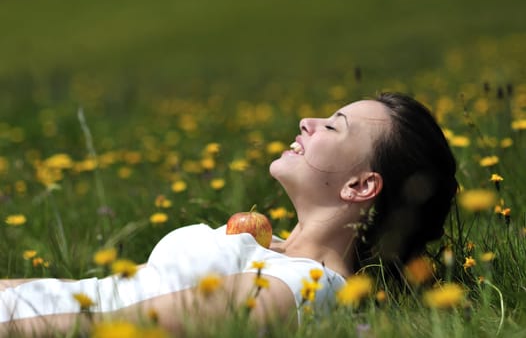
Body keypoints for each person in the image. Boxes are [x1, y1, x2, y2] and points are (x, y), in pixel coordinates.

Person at [0, 92, 458, 335]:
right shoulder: (273, 253)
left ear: (360, 186)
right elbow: (95, 293)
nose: (307, 122)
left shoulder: (306, 287)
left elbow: (116, 326)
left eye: (333, 125)